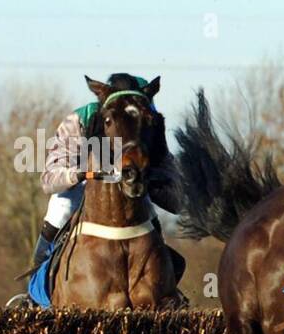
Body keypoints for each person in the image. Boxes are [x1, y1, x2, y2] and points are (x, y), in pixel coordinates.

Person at [34, 73, 180, 268]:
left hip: (133, 187)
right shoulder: (79, 120)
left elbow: (177, 200)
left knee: (154, 226)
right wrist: (80, 173)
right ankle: (36, 283)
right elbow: (48, 179)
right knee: (61, 209)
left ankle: (167, 288)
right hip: (84, 187)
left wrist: (152, 182)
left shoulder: (150, 127)